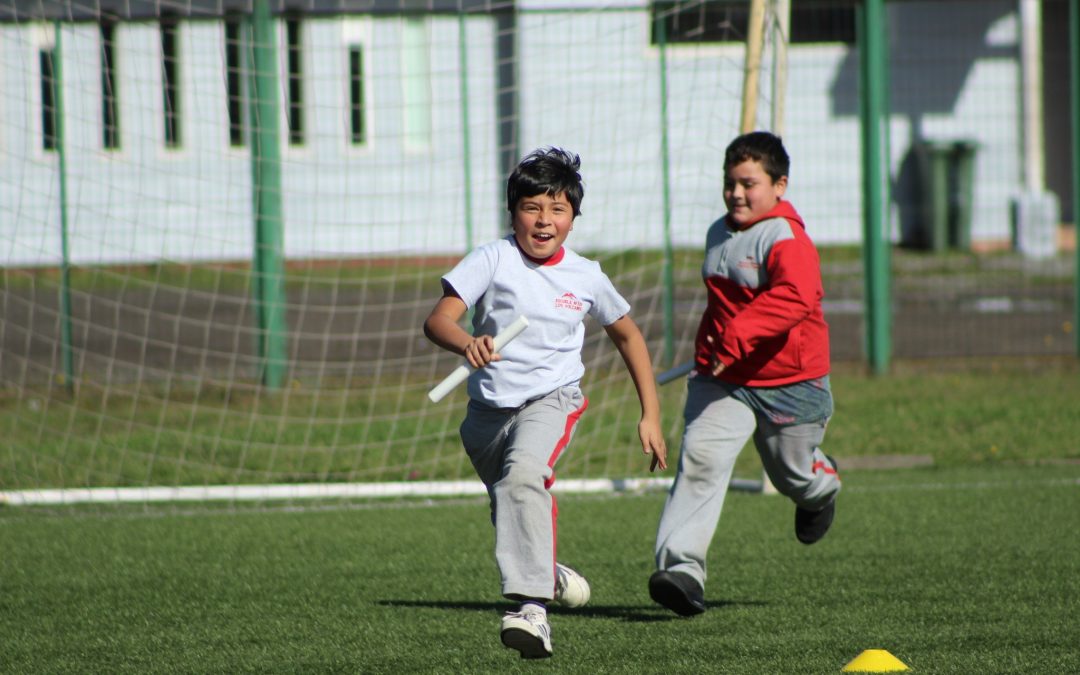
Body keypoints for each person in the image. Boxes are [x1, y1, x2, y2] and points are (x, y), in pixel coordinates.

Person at [424, 147, 668, 658]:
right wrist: (465, 341)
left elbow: (629, 337)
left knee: (522, 479)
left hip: (553, 399)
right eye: (532, 207)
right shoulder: (491, 259)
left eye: (557, 209)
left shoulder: (586, 276)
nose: (544, 220)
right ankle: (547, 573)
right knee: (512, 504)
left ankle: (532, 610)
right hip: (486, 414)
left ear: (573, 219)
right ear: (513, 212)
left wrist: (651, 413)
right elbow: (439, 319)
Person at [648, 131, 840, 617]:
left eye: (748, 183)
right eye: (730, 182)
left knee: (792, 475)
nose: (736, 192)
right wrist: (712, 346)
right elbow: (723, 307)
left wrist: (735, 338)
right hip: (726, 380)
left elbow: (797, 297)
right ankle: (682, 572)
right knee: (700, 461)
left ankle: (822, 486)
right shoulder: (719, 232)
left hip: (791, 382)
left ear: (780, 186)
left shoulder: (785, 237)